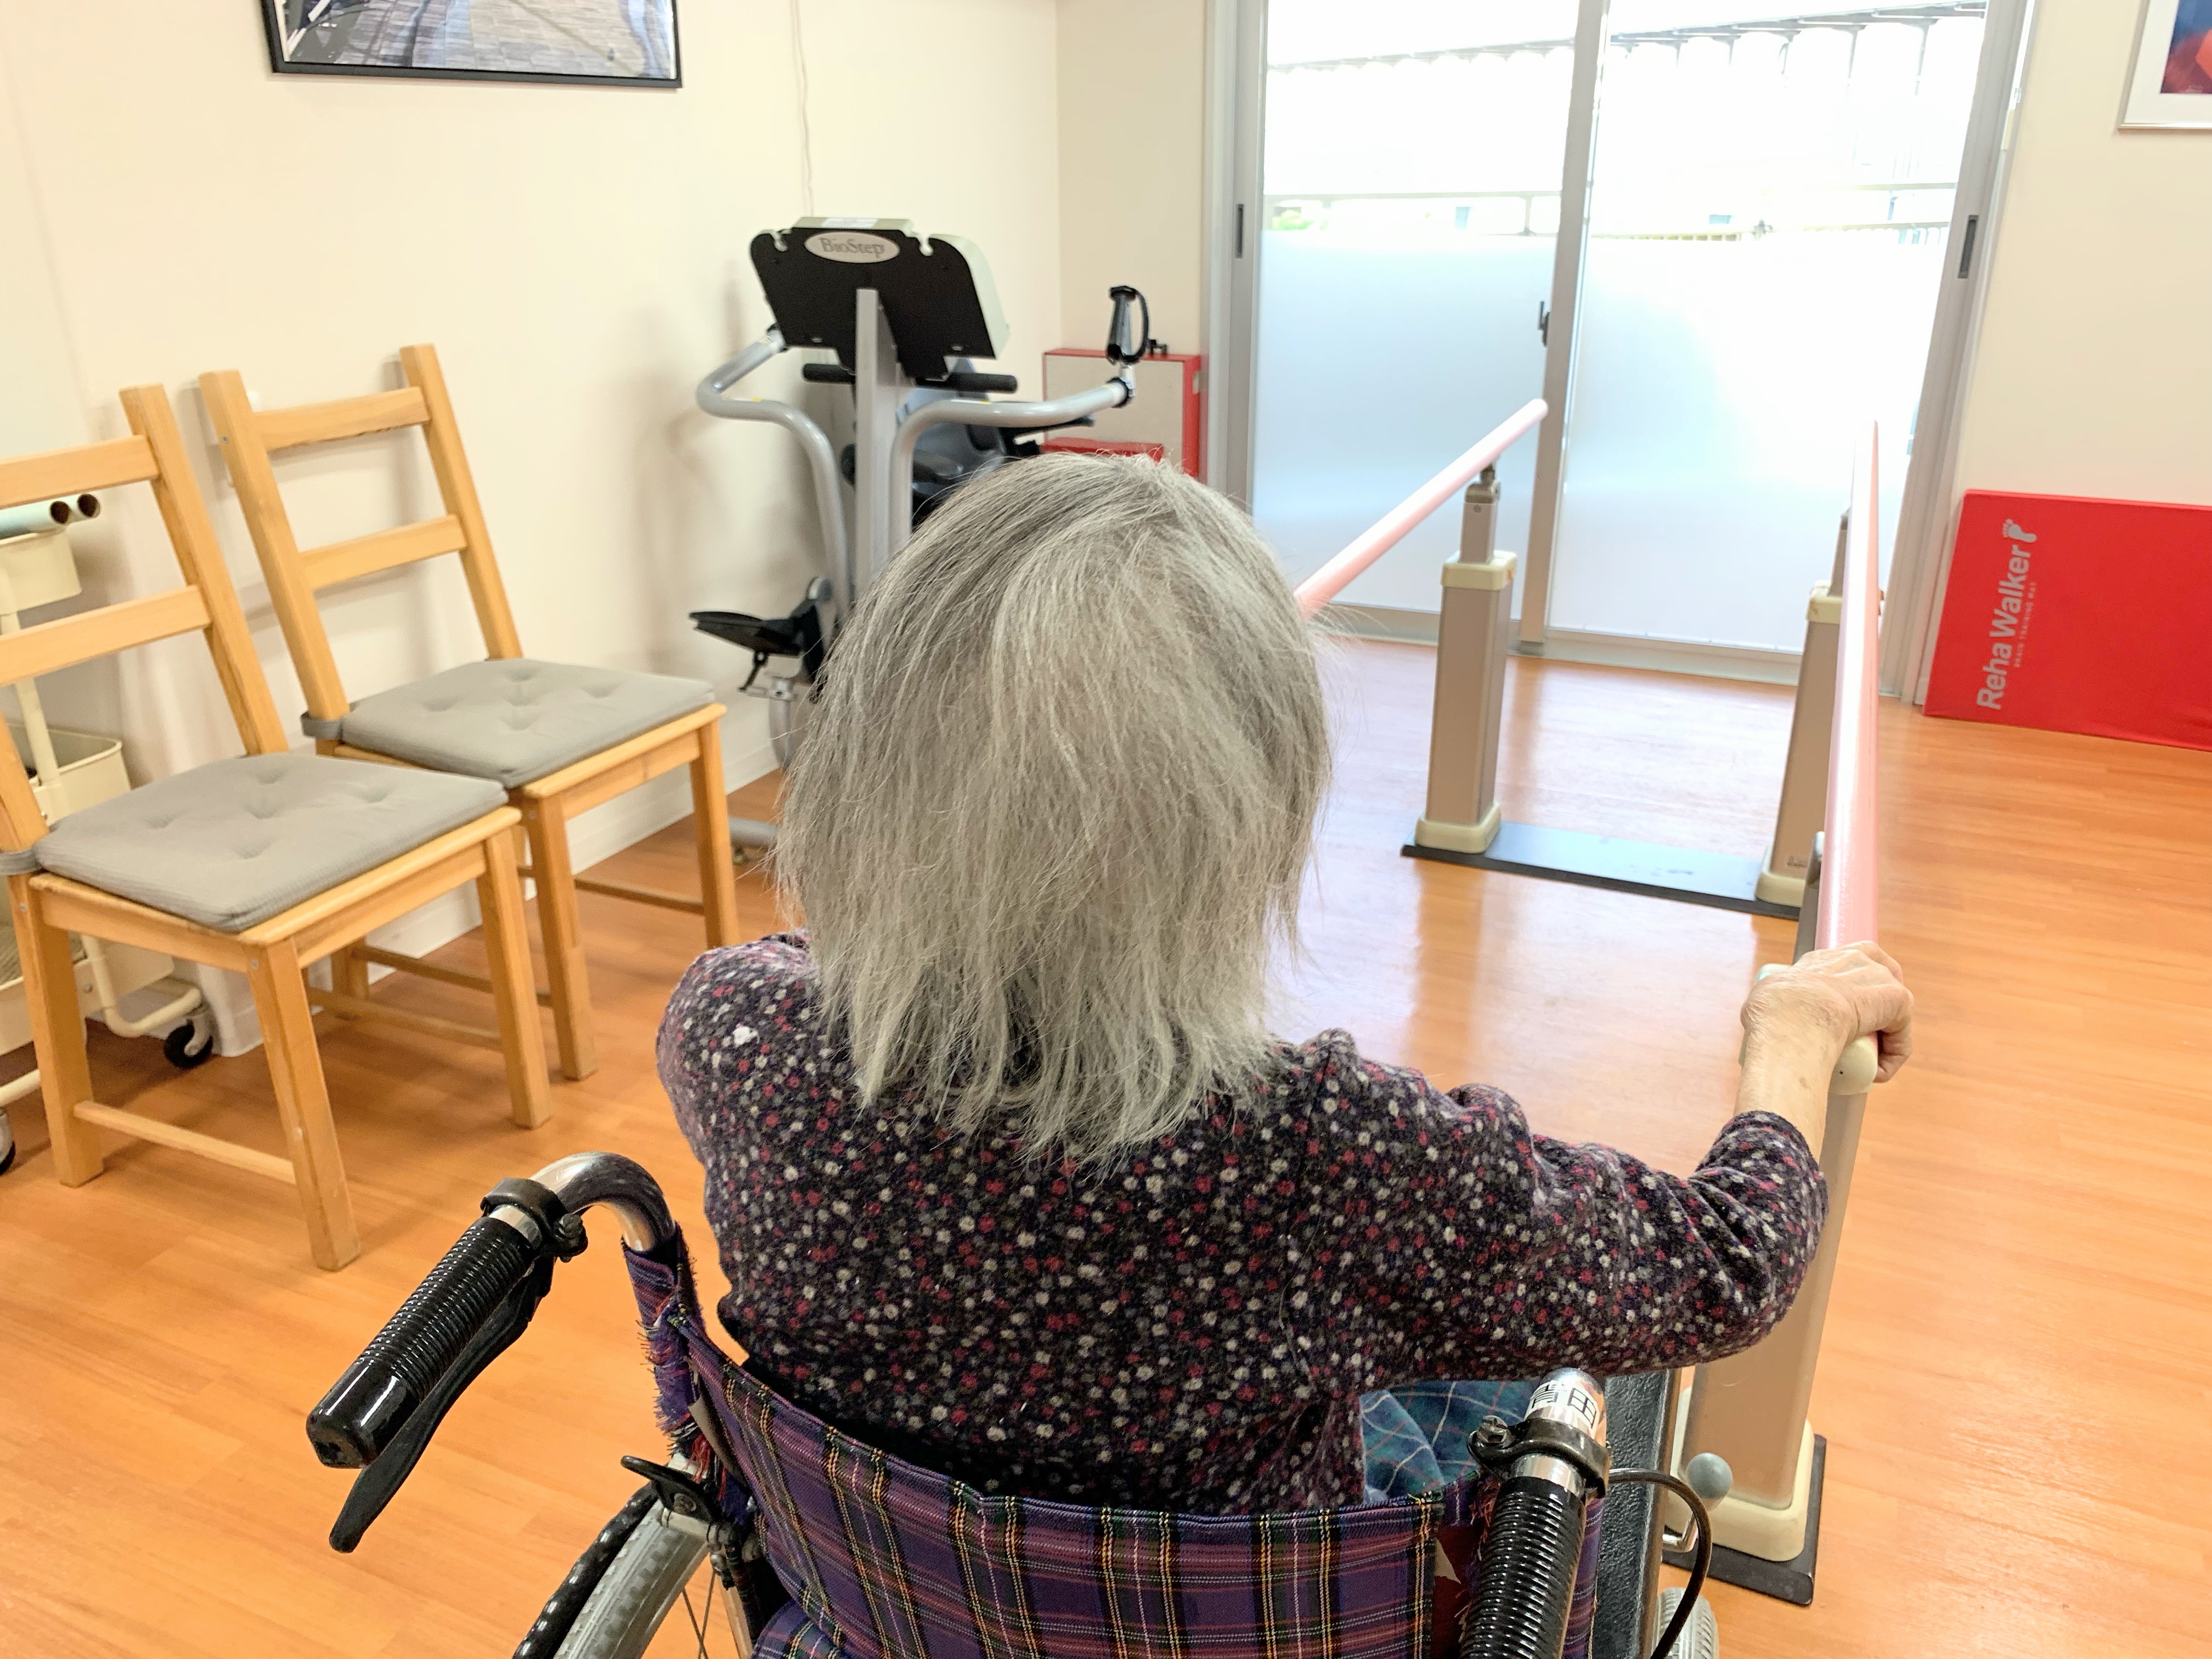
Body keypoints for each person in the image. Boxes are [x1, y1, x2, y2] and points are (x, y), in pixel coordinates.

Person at [659, 454, 1912, 1516]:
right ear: (1250, 820)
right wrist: (1793, 1028)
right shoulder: (1329, 1157)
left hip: (891, 1588)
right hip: (1228, 1612)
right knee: (1525, 1365)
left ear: (866, 759)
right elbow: (1731, 1265)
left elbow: (826, 973)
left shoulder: (733, 1033)